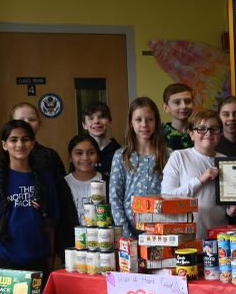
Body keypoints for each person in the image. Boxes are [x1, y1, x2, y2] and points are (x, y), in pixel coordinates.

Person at [0, 120, 60, 279]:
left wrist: (51, 256)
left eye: (25, 139)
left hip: (38, 259)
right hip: (5, 259)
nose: (20, 144)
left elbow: (51, 224)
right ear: (5, 145)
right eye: (13, 140)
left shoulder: (45, 179)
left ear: (32, 144)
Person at [11, 102, 76, 252]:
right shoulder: (3, 158)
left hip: (44, 229)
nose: (27, 123)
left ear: (39, 123)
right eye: (21, 120)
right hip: (12, 232)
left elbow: (60, 194)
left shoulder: (49, 155)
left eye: (32, 119)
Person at [161, 109, 228, 237]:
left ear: (220, 134)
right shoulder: (179, 157)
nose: (208, 133)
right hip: (185, 237)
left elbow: (226, 208)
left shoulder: (226, 161)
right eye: (201, 129)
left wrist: (231, 209)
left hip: (219, 237)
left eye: (214, 129)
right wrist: (200, 180)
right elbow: (166, 198)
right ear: (191, 134)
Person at [110, 97, 168, 237]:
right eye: (138, 120)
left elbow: (173, 195)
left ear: (156, 122)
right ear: (131, 123)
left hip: (161, 229)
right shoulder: (121, 156)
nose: (144, 124)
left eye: (150, 119)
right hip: (129, 230)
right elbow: (115, 198)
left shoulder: (168, 155)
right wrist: (126, 234)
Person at [82, 102, 121, 184]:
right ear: (84, 125)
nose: (96, 121)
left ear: (110, 121)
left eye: (102, 117)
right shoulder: (79, 154)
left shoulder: (120, 153)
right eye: (91, 118)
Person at [65, 134, 104, 211]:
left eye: (91, 153)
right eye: (79, 153)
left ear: (98, 156)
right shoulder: (61, 185)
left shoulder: (109, 183)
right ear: (70, 158)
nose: (85, 158)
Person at [161, 83, 195, 151]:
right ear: (166, 108)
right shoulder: (159, 134)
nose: (184, 106)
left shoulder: (201, 131)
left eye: (188, 101)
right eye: (177, 102)